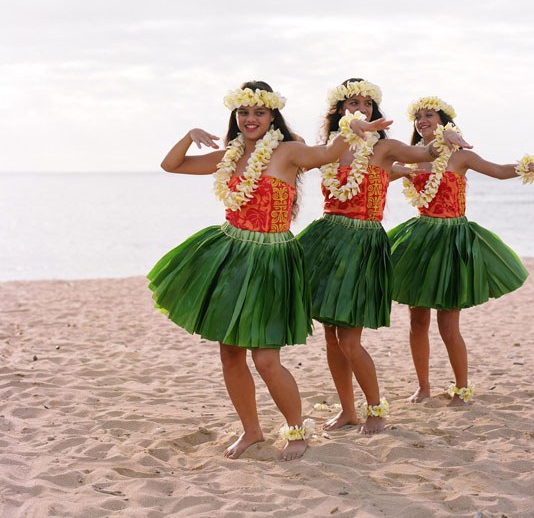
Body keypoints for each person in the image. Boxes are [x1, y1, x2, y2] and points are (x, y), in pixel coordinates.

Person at [148, 80, 391, 460]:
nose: (250, 119)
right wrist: (188, 135)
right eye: (243, 112)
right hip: (230, 258)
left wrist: (351, 129)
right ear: (235, 116)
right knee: (230, 354)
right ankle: (252, 430)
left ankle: (296, 430)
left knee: (265, 359)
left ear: (272, 115)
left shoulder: (288, 152)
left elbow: (328, 154)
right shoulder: (227, 156)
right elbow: (171, 165)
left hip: (271, 261)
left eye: (259, 112)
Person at [296, 79, 469, 433]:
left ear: (376, 111)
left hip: (362, 245)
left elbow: (427, 155)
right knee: (330, 336)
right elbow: (291, 159)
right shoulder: (330, 148)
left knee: (349, 340)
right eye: (352, 103)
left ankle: (376, 409)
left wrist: (444, 139)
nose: (360, 109)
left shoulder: (386, 147)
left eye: (367, 104)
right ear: (340, 111)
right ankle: (348, 410)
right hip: (327, 241)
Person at [389, 96, 534, 405]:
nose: (422, 120)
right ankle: (423, 387)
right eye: (418, 116)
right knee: (418, 321)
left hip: (451, 241)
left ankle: (461, 387)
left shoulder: (459, 157)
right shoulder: (411, 159)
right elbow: (377, 177)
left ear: (444, 120)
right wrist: (393, 167)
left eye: (429, 114)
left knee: (448, 324)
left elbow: (497, 171)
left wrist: (529, 167)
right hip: (419, 240)